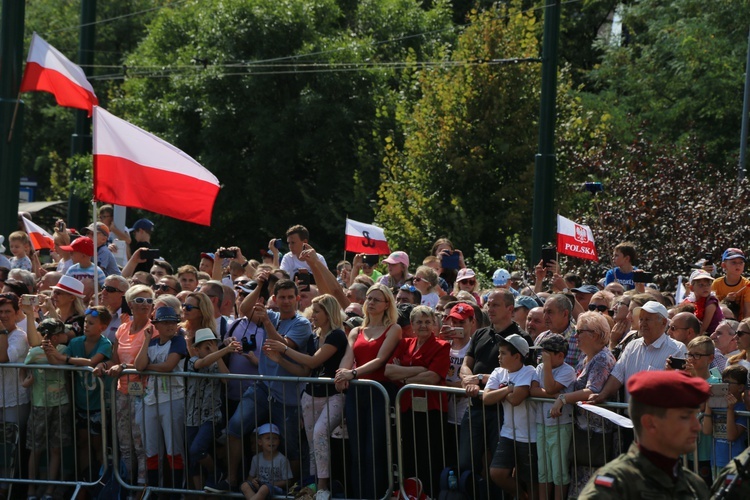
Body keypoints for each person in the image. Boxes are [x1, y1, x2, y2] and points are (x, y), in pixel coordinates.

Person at [223, 277, 313, 491]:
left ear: (298, 299)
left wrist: (266, 322)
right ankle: (231, 479)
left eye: (291, 297)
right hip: (262, 388)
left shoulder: (302, 323)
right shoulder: (271, 314)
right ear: (275, 299)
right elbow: (244, 308)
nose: (286, 301)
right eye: (282, 297)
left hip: (288, 395)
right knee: (234, 427)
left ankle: (291, 490)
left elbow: (280, 345)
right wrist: (260, 285)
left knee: (292, 447)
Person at [264, 294, 347, 499]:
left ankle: (323, 486)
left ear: (328, 313)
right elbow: (304, 371)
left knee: (320, 434)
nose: (313, 314)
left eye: (317, 311)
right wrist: (279, 360)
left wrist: (283, 348)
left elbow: (313, 361)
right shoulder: (313, 337)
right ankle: (313, 484)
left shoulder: (337, 335)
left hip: (333, 395)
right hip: (310, 395)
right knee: (312, 443)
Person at [578, 370, 710, 499]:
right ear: (650, 423)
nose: (697, 426)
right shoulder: (618, 485)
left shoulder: (694, 485)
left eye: (695, 416)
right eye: (685, 417)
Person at [335, 283, 402, 498]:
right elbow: (348, 357)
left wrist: (352, 374)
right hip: (357, 394)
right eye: (369, 299)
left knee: (374, 449)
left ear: (386, 304)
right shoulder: (356, 330)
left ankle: (375, 494)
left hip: (380, 392)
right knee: (357, 451)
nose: (371, 302)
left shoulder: (394, 328)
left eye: (376, 299)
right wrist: (341, 373)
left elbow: (381, 360)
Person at [458, 289, 532, 477]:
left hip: (502, 413)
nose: (490, 309)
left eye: (495, 305)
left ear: (510, 309)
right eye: (488, 304)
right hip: (475, 407)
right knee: (466, 463)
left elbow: (525, 374)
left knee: (498, 468)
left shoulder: (522, 338)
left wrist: (481, 378)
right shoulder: (480, 334)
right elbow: (466, 364)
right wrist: (468, 380)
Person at [94, 284, 155, 487]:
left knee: (140, 443)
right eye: (140, 300)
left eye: (148, 300)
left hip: (144, 393)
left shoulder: (153, 330)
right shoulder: (122, 328)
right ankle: (127, 483)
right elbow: (114, 360)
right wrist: (103, 366)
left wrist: (123, 366)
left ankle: (142, 485)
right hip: (122, 392)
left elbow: (147, 364)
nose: (145, 304)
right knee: (124, 442)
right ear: (130, 304)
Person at [386, 306, 450, 497]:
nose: (423, 325)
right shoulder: (405, 344)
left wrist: (403, 377)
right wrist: (420, 370)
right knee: (407, 454)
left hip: (431, 408)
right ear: (412, 325)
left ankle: (428, 493)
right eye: (419, 322)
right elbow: (389, 371)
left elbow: (434, 377)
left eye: (427, 321)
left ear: (434, 324)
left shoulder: (442, 346)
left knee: (428, 455)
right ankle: (410, 492)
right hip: (406, 406)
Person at [134, 306, 188, 491]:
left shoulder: (179, 341)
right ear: (156, 325)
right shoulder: (152, 341)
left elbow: (169, 366)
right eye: (165, 322)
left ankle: (175, 493)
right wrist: (146, 339)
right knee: (151, 450)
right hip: (151, 400)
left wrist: (149, 367)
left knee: (174, 449)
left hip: (173, 399)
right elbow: (139, 365)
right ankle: (155, 492)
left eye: (173, 322)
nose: (170, 326)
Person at [592, 301, 687, 403]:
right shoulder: (632, 346)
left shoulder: (677, 349)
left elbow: (677, 388)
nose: (643, 323)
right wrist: (602, 395)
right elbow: (617, 375)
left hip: (657, 416)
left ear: (663, 322)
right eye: (641, 319)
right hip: (628, 416)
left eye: (648, 319)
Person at [22, 314, 71, 500]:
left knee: (56, 448)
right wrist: (25, 380)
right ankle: (31, 490)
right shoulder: (34, 352)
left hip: (61, 404)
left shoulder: (65, 350)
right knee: (36, 448)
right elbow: (23, 368)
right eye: (62, 332)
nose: (66, 334)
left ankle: (50, 490)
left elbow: (58, 365)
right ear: (55, 336)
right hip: (39, 405)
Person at [483, 334, 538, 499]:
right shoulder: (498, 372)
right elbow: (486, 399)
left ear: (517, 356)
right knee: (497, 473)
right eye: (499, 352)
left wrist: (499, 392)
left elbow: (516, 399)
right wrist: (507, 389)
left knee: (531, 480)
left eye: (503, 353)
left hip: (529, 436)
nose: (499, 357)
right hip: (507, 433)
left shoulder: (529, 371)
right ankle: (521, 496)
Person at [188, 328, 240, 491]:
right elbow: (202, 363)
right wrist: (224, 350)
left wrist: (218, 353)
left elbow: (226, 379)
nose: (210, 349)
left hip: (211, 416)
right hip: (191, 416)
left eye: (212, 345)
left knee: (197, 449)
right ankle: (201, 491)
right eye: (206, 347)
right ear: (196, 349)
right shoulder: (192, 361)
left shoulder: (218, 362)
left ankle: (215, 473)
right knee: (193, 457)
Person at [529, 334, 576, 500]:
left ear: (560, 355)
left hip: (560, 426)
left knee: (559, 471)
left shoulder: (568, 371)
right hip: (541, 424)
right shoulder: (540, 368)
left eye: (547, 353)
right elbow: (533, 390)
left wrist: (547, 367)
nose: (543, 356)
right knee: (544, 471)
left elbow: (548, 387)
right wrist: (555, 395)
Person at [702, 364, 748, 476]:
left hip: (735, 465)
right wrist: (709, 405)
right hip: (716, 461)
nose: (724, 385)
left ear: (740, 387)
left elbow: (731, 436)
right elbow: (707, 431)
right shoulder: (718, 405)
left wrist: (730, 409)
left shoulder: (742, 408)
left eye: (728, 383)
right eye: (723, 382)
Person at [240, 423, 293, 500]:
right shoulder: (256, 458)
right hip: (259, 486)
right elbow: (250, 478)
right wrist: (253, 481)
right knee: (244, 485)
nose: (272, 441)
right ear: (260, 442)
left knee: (264, 488)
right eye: (268, 438)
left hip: (275, 489)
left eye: (275, 438)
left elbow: (288, 482)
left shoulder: (282, 459)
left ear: (279, 441)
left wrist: (270, 484)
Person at [537, 294, 581, 367]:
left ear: (565, 314)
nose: (545, 317)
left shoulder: (580, 337)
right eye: (544, 312)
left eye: (550, 312)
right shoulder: (541, 337)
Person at [712, 248, 750, 321]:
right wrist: (726, 300)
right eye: (734, 262)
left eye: (741, 262)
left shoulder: (747, 284)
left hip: (739, 323)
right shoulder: (716, 283)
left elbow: (747, 311)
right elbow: (712, 307)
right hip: (719, 321)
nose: (738, 265)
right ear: (724, 265)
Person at [683, 270, 724, 334]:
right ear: (692, 288)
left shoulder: (711, 302)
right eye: (701, 285)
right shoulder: (689, 302)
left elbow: (702, 329)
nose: (706, 287)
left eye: (708, 284)